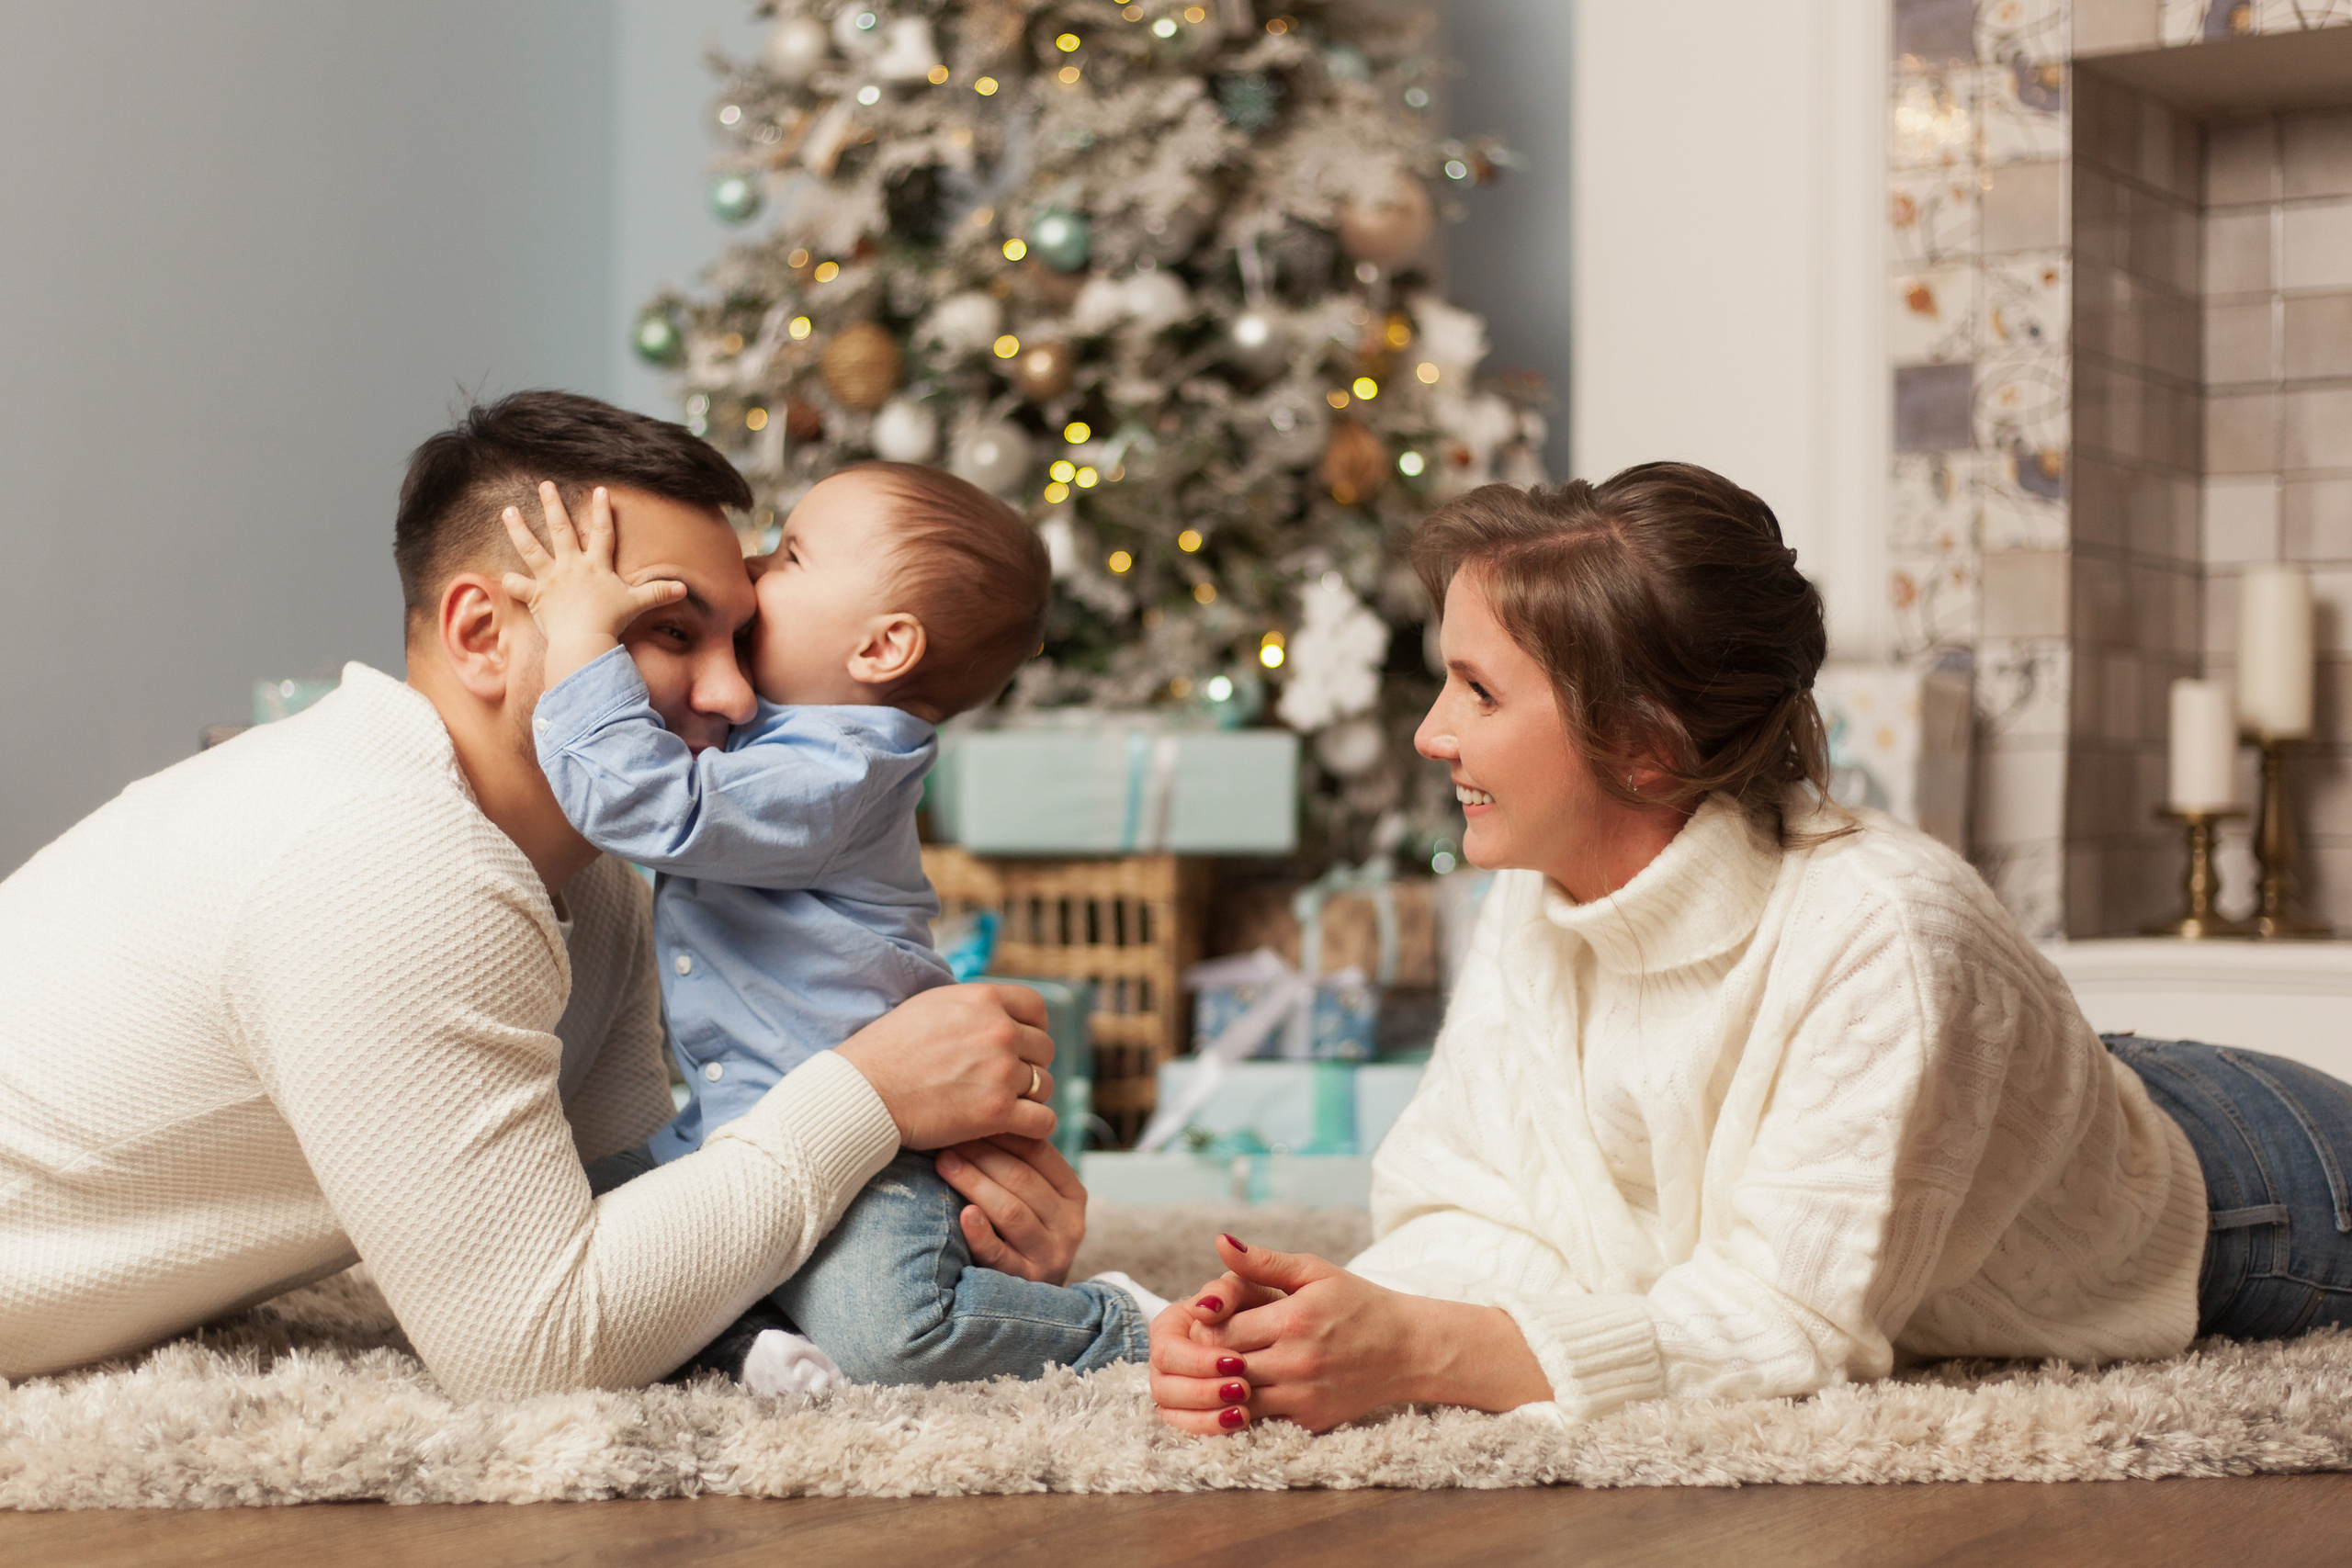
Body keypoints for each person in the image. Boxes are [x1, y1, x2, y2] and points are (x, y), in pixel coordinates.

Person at [1148, 462, 2352, 1435]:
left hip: (2263, 1191)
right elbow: (1475, 1196)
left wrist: (1423, 1346)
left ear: (1648, 745)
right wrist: (1288, 1321)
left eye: (1475, 689)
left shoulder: (1888, 930)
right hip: (2007, 1099)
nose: (1429, 733)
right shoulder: (1543, 886)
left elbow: (1783, 1322)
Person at [0, 391, 1081, 1399]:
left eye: (739, 634)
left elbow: (630, 1215)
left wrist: (943, 1227)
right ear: (482, 634)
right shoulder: (389, 861)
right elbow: (532, 1349)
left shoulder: (591, 881)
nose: (733, 692)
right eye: (667, 632)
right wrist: (870, 1092)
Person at [500, 463, 1162, 1389]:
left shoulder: (844, 770)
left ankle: (1126, 1329)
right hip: (742, 1127)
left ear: (883, 648)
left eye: (792, 553)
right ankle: (751, 1350)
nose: (758, 566)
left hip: (880, 1146)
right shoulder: (777, 734)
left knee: (890, 1334)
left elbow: (656, 808)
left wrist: (580, 633)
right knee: (582, 1243)